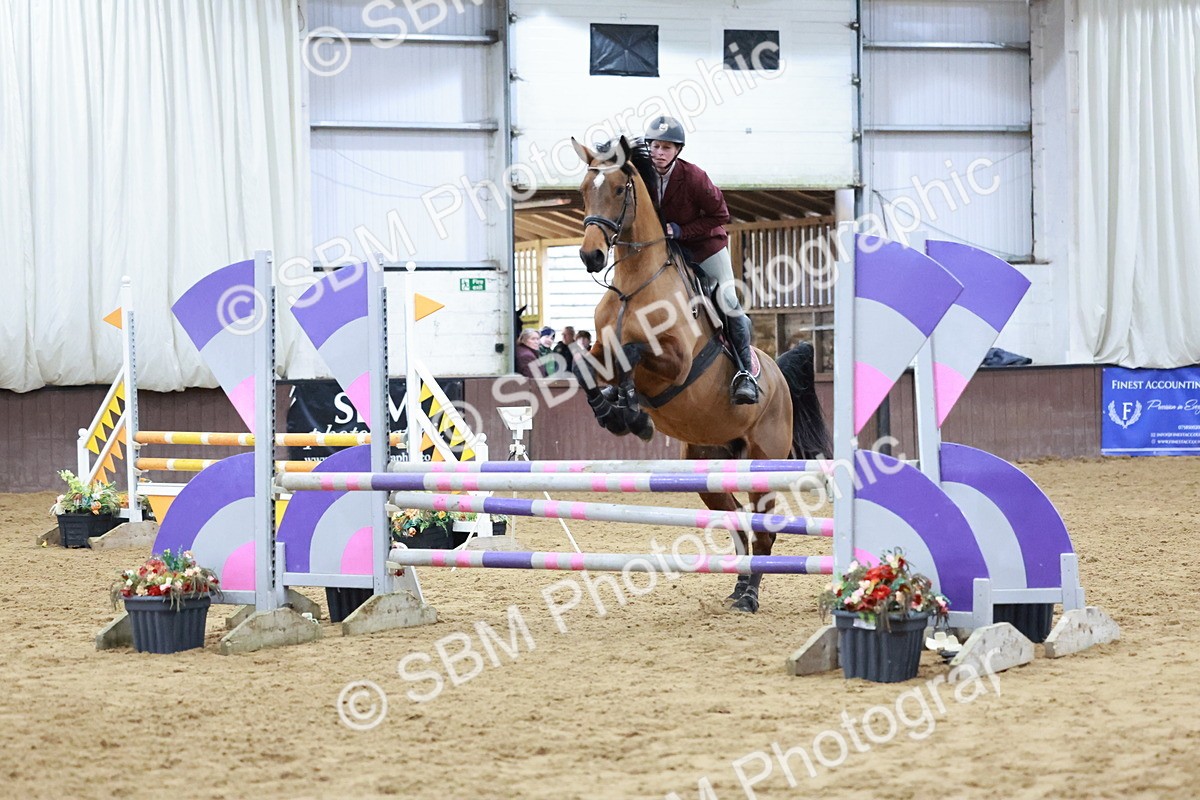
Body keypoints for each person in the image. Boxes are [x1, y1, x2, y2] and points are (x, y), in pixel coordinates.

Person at [644, 115, 758, 405]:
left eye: (666, 148)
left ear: (677, 151)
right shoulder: (642, 174)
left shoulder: (694, 177)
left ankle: (745, 373)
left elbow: (720, 216)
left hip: (705, 247)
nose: (659, 153)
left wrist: (682, 230)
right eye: (655, 146)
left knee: (728, 302)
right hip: (667, 250)